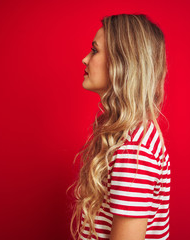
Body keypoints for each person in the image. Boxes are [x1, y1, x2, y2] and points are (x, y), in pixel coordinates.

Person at [67, 14, 171, 240]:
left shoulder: (134, 151)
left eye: (94, 51)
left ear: (122, 63)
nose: (85, 59)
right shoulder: (128, 136)